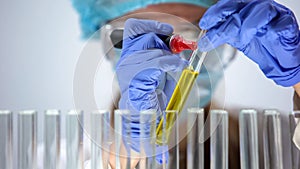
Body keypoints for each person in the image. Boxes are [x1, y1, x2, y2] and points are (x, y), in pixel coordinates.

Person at [71, 0, 300, 168]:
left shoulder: (278, 140)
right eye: (139, 39)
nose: (172, 61)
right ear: (109, 44)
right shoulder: (61, 154)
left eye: (193, 36)